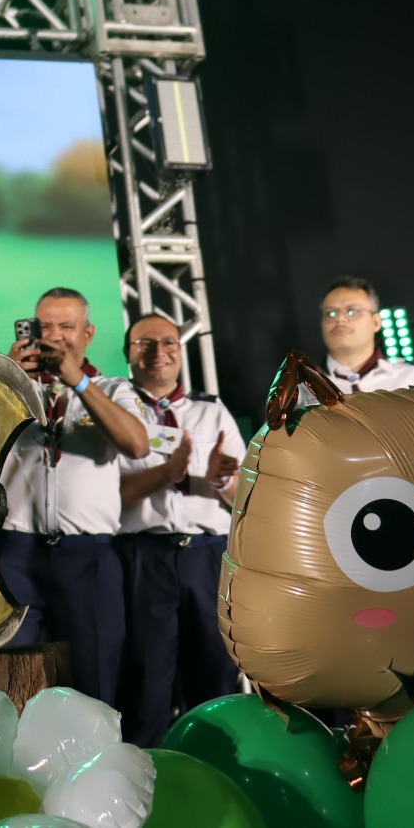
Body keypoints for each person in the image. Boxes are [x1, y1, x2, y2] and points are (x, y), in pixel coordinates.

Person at [0, 288, 149, 705]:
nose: (54, 336)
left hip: (87, 554)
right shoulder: (14, 388)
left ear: (88, 334)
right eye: (45, 327)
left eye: (66, 327)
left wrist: (78, 380)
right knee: (14, 675)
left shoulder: (112, 389)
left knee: (94, 673)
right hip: (17, 550)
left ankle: (96, 767)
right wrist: (7, 380)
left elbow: (137, 445)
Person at [114, 313, 244, 747]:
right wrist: (169, 473)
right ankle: (148, 786)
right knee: (147, 682)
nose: (159, 352)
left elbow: (247, 495)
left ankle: (220, 772)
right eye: (145, 344)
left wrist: (222, 479)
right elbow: (104, 496)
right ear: (127, 354)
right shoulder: (114, 413)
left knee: (216, 674)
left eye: (168, 342)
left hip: (207, 556)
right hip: (142, 555)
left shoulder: (211, 409)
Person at [304, 276, 414, 401]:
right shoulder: (301, 391)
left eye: (352, 311)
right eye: (330, 313)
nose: (340, 319)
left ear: (376, 322)